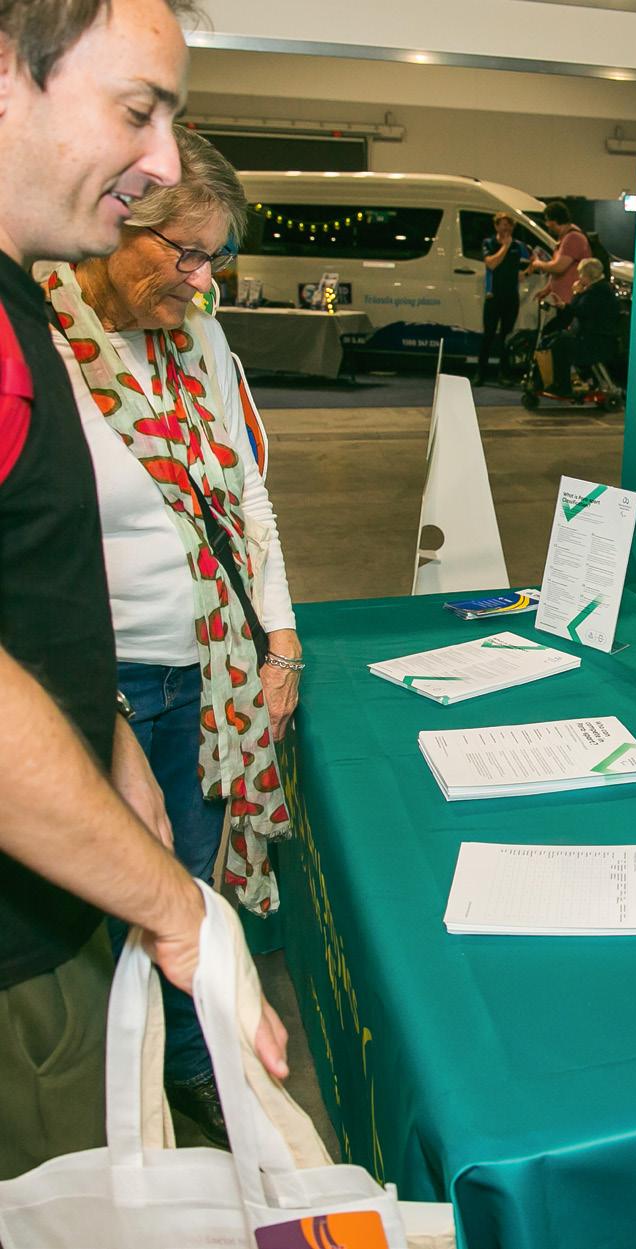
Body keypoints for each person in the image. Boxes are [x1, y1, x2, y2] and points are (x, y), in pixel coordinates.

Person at [0, 0, 286, 1178]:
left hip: (146, 724)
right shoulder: (39, 328)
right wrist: (176, 909)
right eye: (137, 111)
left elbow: (30, 591)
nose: (160, 162)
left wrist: (106, 730)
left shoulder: (30, 304)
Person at [45, 124, 301, 1145]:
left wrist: (279, 639)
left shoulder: (202, 341)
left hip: (203, 677)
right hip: (82, 688)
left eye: (216, 259)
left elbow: (244, 498)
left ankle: (195, 1074)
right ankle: (93, 1102)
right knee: (87, 905)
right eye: (185, 253)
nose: (200, 282)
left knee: (190, 889)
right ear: (117, 222)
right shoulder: (40, 344)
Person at [544, 256, 620, 399]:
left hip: (596, 342)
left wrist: (576, 294)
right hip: (595, 338)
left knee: (560, 345)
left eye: (580, 274)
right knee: (557, 338)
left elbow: (580, 311)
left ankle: (563, 386)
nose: (579, 277)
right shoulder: (599, 289)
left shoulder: (597, 292)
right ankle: (563, 382)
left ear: (587, 275)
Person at [476, 210, 527, 385]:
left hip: (511, 297)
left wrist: (525, 273)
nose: (506, 228)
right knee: (488, 335)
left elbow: (535, 259)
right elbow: (491, 263)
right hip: (493, 296)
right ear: (496, 226)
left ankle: (503, 374)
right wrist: (505, 247)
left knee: (506, 337)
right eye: (503, 225)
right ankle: (480, 373)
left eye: (509, 225)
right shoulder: (489, 243)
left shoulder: (518, 246)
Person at [527, 199, 590, 307]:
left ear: (554, 221)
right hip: (563, 300)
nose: (547, 224)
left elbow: (558, 267)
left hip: (570, 302)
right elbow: (557, 271)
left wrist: (538, 263)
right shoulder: (565, 237)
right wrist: (547, 290)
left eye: (547, 220)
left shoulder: (573, 238)